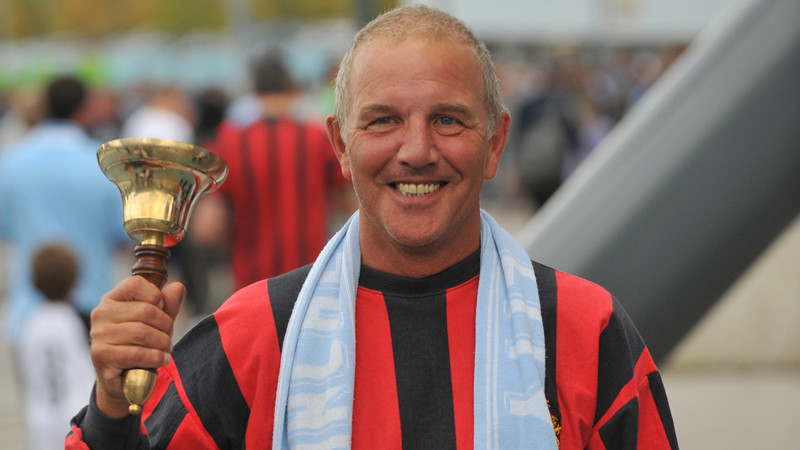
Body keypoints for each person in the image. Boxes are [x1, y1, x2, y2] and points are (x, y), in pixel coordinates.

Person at [67, 5, 678, 449]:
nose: (416, 151)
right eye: (383, 121)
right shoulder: (250, 338)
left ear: (496, 143)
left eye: (448, 120)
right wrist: (112, 406)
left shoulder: (585, 331)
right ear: (339, 145)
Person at [199, 50, 353, 290]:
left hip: (253, 280)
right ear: (290, 87)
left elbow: (207, 228)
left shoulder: (230, 144)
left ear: (254, 90)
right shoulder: (316, 139)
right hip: (312, 276)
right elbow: (350, 205)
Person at [0, 75, 130, 348]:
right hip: (90, 308)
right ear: (84, 109)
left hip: (28, 311)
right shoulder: (104, 165)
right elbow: (122, 234)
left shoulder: (11, 163)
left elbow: (5, 228)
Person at [19, 244, 95, 450]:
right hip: (78, 417)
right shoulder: (81, 320)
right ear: (75, 278)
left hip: (41, 419)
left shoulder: (30, 322)